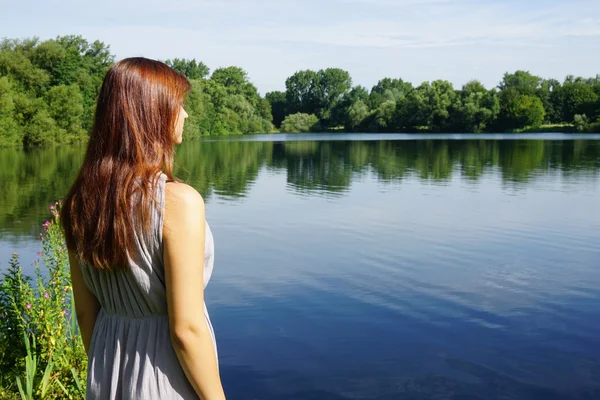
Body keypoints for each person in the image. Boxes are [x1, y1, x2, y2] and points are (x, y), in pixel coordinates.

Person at [60, 57, 226, 400]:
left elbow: (84, 310)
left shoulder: (80, 202)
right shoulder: (178, 203)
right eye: (179, 105)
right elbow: (186, 330)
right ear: (153, 112)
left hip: (107, 369)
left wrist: (107, 369)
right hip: (165, 375)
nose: (186, 115)